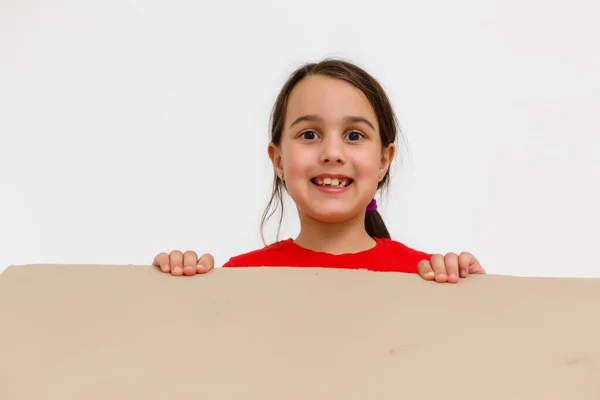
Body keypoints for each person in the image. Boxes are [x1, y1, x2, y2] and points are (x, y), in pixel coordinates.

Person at [152, 59, 485, 284]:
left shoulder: (428, 277)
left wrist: (482, 299)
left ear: (385, 160)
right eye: (309, 134)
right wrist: (177, 294)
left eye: (354, 135)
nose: (332, 153)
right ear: (278, 159)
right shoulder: (239, 278)